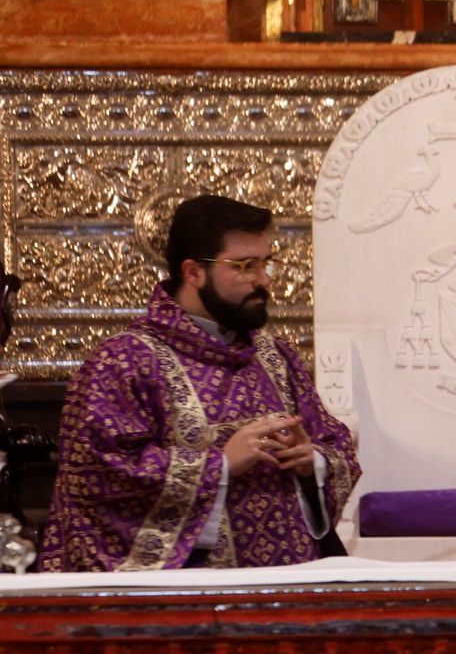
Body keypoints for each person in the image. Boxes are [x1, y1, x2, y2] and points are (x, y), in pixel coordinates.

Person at [40, 195, 359, 571]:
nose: (264, 280)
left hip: (288, 588)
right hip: (186, 605)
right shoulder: (123, 362)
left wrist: (313, 464)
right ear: (193, 272)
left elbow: (334, 443)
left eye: (265, 263)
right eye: (245, 266)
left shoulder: (276, 356)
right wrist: (219, 465)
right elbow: (101, 476)